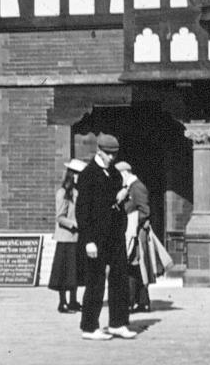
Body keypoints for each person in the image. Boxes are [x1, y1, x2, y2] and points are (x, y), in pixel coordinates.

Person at [75, 133, 137, 341]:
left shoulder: (114, 174)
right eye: (109, 153)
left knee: (119, 278)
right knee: (95, 281)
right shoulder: (88, 175)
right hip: (96, 237)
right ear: (99, 150)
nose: (112, 157)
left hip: (115, 235)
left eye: (115, 154)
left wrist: (122, 196)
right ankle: (89, 327)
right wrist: (89, 240)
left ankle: (118, 323)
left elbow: (114, 202)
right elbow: (82, 211)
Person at [48, 158, 86, 313]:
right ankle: (62, 302)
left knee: (74, 271)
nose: (78, 176)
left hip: (77, 238)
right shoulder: (63, 192)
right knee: (63, 272)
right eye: (76, 173)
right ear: (70, 174)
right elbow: (59, 216)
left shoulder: (79, 191)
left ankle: (73, 301)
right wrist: (73, 224)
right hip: (66, 238)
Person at [115, 161, 151, 312]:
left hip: (135, 233)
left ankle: (130, 302)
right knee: (134, 267)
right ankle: (142, 301)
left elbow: (145, 211)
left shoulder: (137, 187)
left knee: (131, 266)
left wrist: (130, 220)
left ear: (125, 173)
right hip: (133, 231)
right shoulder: (130, 187)